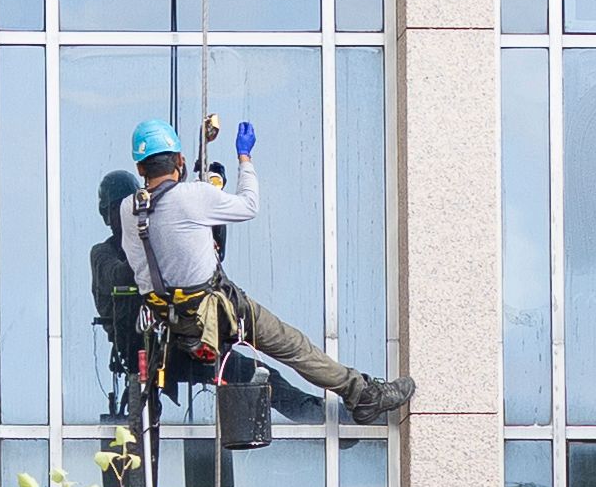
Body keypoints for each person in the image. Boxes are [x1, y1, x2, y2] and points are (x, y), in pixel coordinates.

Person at [109, 115, 412, 421]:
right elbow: (248, 204)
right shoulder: (195, 196)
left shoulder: (128, 208)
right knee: (291, 345)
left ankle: (322, 410)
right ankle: (363, 394)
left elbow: (157, 245)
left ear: (140, 168)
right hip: (219, 309)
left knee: (252, 369)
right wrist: (245, 158)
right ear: (179, 159)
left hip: (172, 321)